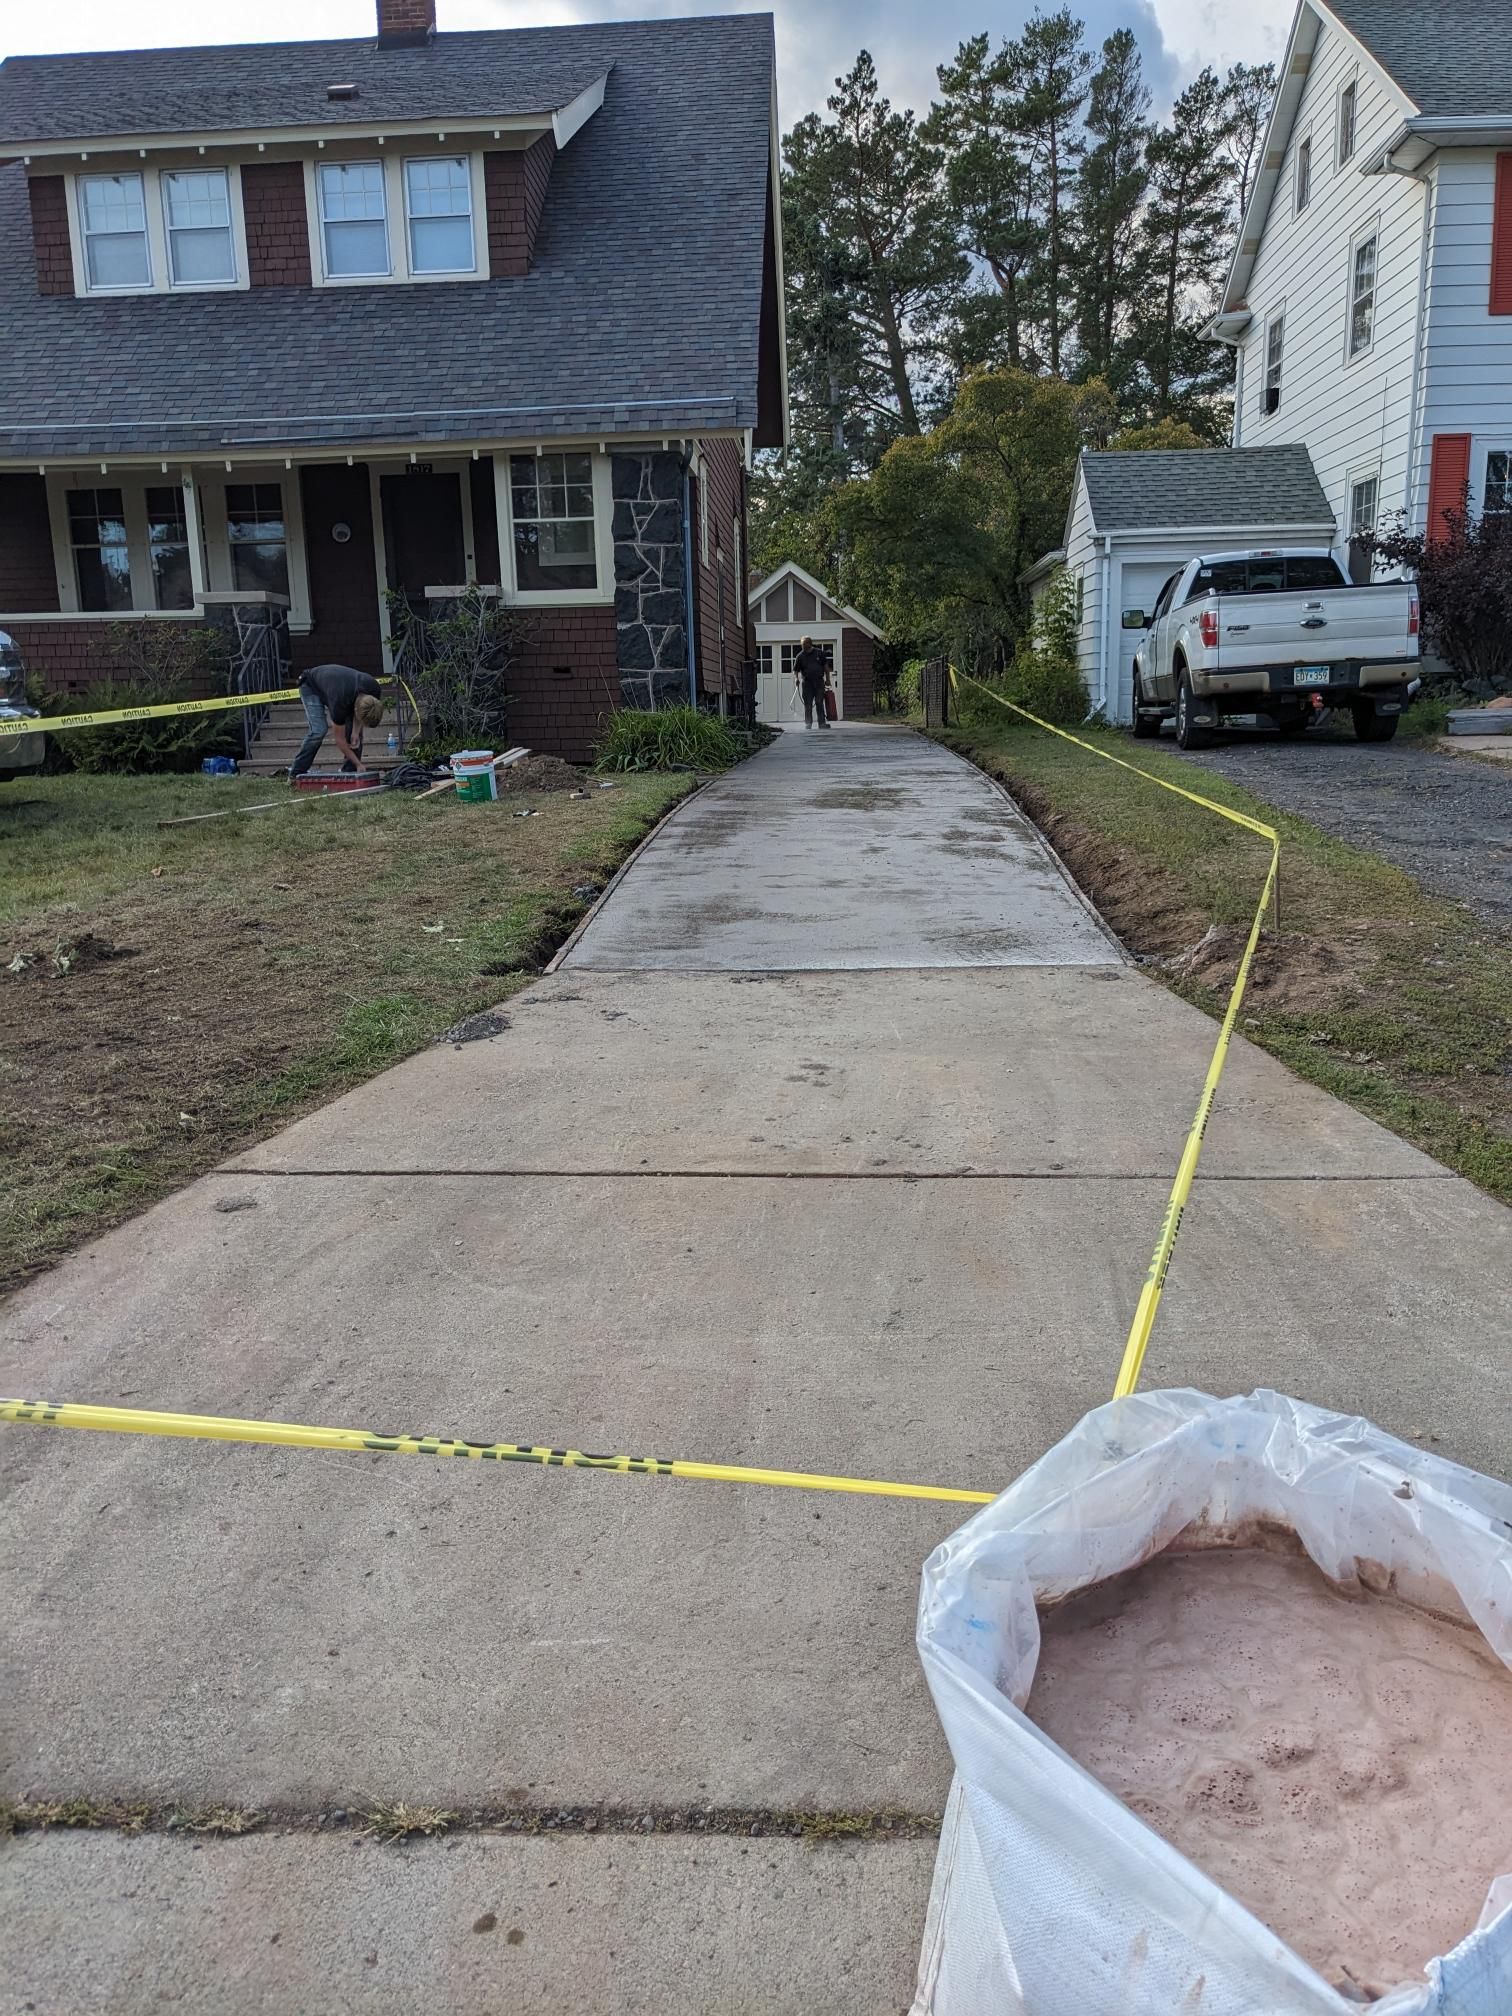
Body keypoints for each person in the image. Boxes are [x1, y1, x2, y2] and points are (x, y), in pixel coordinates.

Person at [289, 664, 384, 778]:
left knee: (355, 734)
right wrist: (359, 764)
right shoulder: (339, 702)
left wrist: (355, 732)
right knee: (319, 731)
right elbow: (340, 740)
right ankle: (296, 773)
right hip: (310, 685)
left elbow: (359, 713)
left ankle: (350, 772)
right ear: (355, 709)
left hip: (337, 685)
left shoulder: (374, 689)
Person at [792, 637, 831, 729]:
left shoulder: (819, 653)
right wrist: (796, 679)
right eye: (802, 644)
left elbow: (826, 667)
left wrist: (828, 680)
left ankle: (822, 723)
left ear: (809, 644)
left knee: (819, 702)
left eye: (804, 644)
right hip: (807, 683)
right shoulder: (800, 656)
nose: (803, 646)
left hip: (819, 682)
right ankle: (808, 723)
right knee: (808, 704)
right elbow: (795, 670)